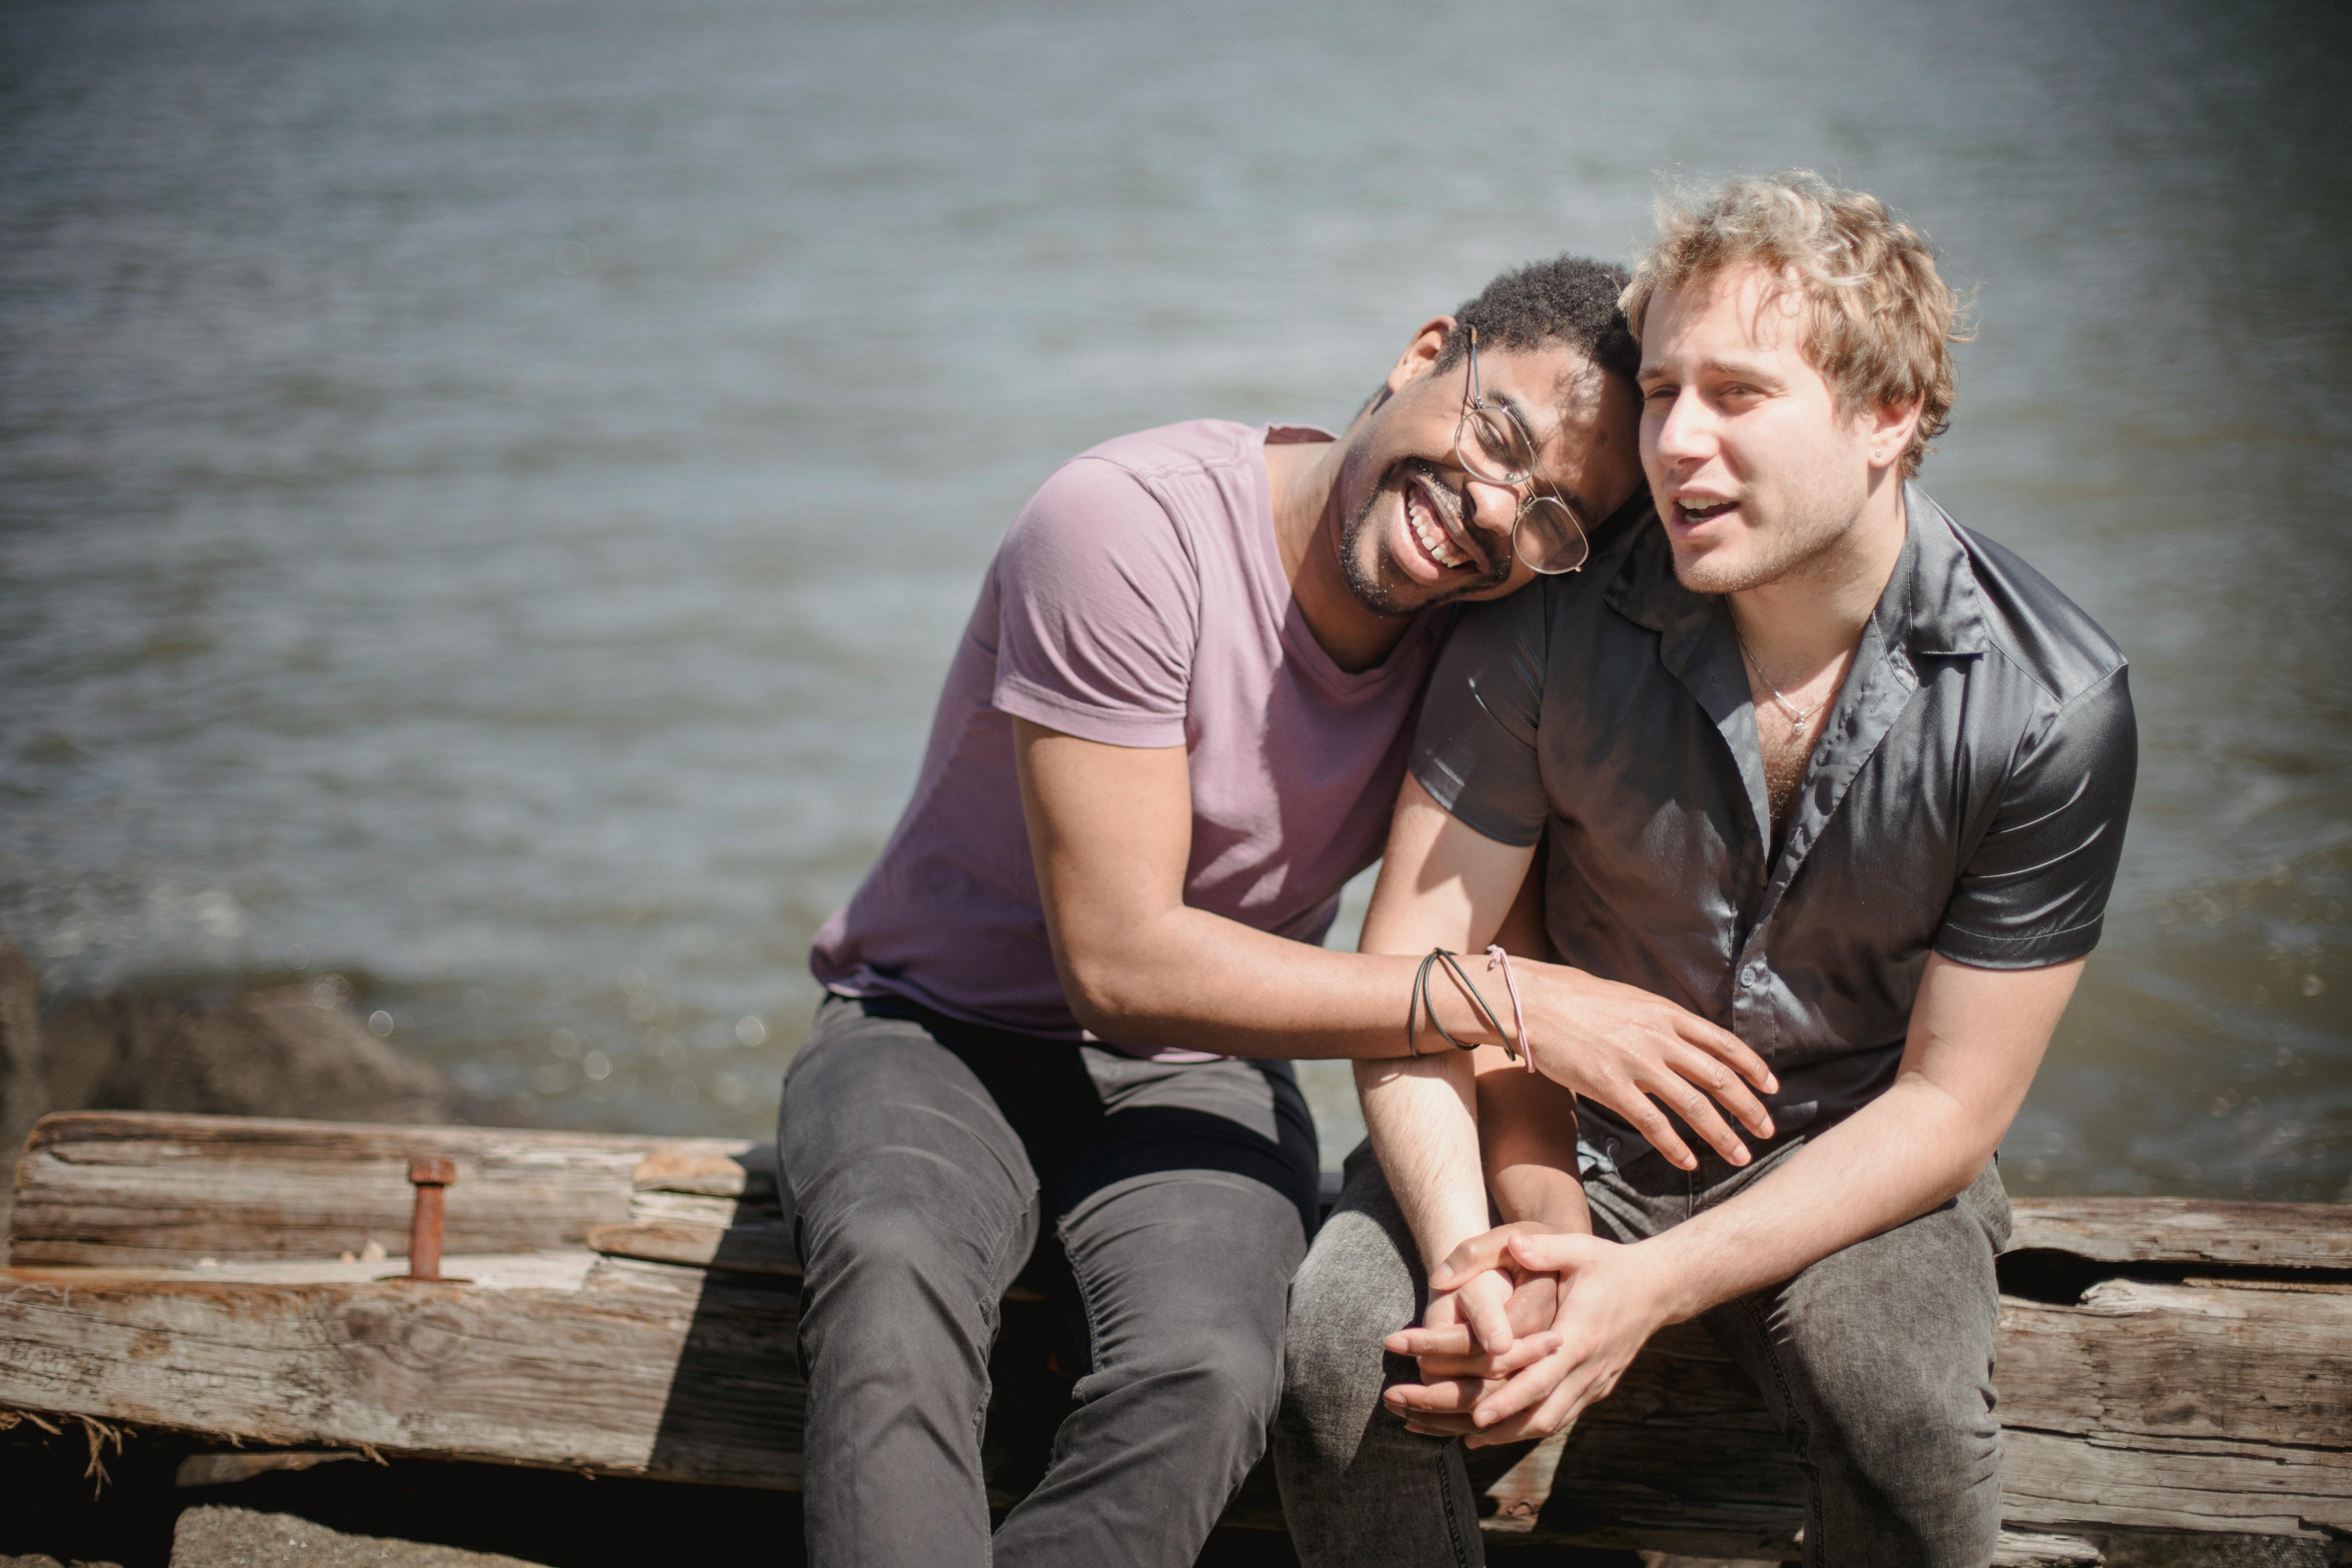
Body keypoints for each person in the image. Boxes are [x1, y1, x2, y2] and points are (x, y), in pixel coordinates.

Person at [782, 254, 1787, 1568]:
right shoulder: (1126, 528)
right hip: (930, 1026)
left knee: (1207, 1368)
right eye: (1497, 435)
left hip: (1206, 1064)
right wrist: (1512, 1002)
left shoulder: (1487, 642)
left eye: (1552, 517)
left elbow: (1496, 917)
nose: (1491, 511)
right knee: (892, 1276)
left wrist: (1535, 1227)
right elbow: (1121, 963)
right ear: (1426, 351)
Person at [1272, 171, 2138, 1568]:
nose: (1674, 442)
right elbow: (1411, 972)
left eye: (1736, 395)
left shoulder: (2052, 704)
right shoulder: (1548, 614)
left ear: (1888, 416)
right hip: (1549, 1132)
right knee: (1345, 1363)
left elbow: (1952, 1101)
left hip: (1849, 1148)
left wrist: (1647, 1291)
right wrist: (1490, 1248)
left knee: (1898, 1411)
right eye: (1662, 389)